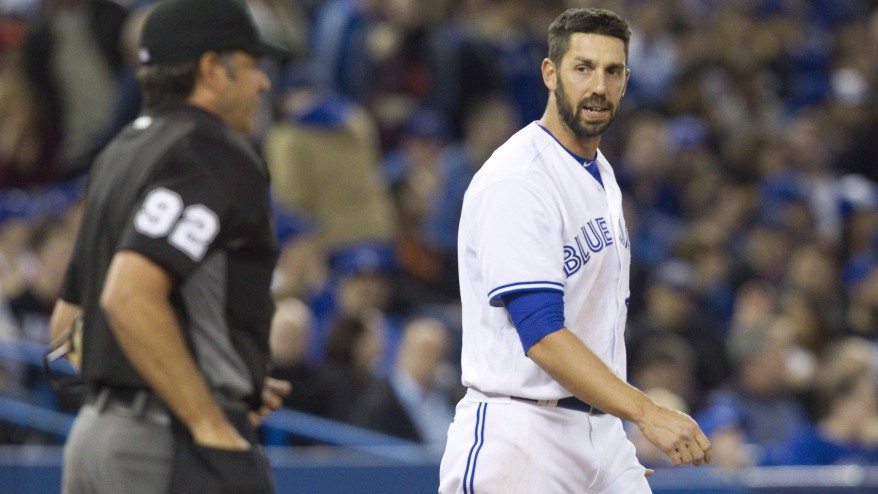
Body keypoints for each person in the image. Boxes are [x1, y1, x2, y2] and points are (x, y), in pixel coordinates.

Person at [438, 8, 711, 493]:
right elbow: (541, 334)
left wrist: (598, 447)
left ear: (627, 80)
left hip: (597, 430)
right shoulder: (519, 179)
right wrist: (645, 412)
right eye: (582, 68)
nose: (598, 86)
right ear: (550, 73)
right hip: (520, 433)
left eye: (612, 71)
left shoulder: (600, 171)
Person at [46, 1, 291, 492]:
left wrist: (215, 375)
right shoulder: (211, 152)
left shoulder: (120, 152)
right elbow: (128, 296)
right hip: (168, 446)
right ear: (210, 69)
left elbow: (64, 331)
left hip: (95, 438)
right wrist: (205, 413)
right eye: (250, 65)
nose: (262, 83)